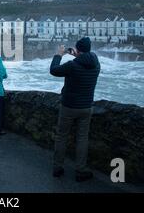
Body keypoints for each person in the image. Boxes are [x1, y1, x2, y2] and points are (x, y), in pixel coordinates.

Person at [49, 37, 101, 182]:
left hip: (69, 106)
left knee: (62, 136)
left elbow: (53, 70)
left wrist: (59, 54)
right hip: (86, 107)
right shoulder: (96, 64)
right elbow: (85, 61)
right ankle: (81, 170)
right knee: (82, 138)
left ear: (77, 50)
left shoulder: (72, 65)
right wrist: (78, 55)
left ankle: (58, 167)